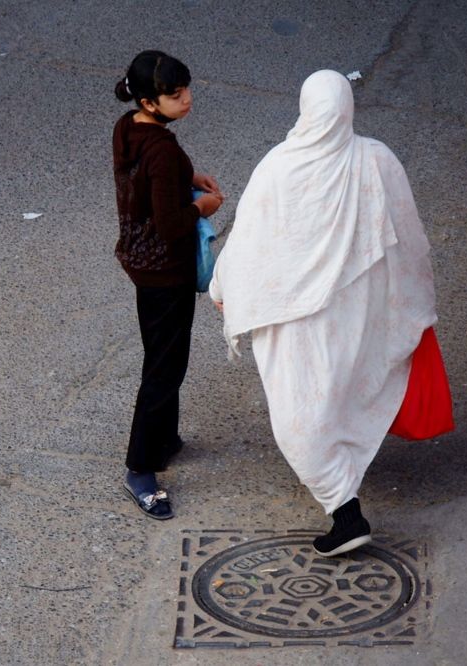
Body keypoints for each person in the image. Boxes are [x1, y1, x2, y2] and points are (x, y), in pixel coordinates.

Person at [209, 70, 438, 555]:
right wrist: (411, 303)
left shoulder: (278, 166)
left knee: (301, 411)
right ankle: (343, 486)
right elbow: (411, 243)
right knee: (342, 391)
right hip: (357, 313)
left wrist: (223, 285)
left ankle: (345, 510)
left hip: (292, 317)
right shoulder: (378, 160)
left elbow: (249, 239)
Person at [112, 50, 224, 520]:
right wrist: (205, 205)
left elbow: (146, 178)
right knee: (163, 367)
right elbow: (174, 225)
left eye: (186, 89)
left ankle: (164, 440)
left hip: (141, 262)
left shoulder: (129, 128)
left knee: (164, 355)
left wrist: (186, 175)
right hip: (166, 271)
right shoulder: (162, 150)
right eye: (175, 95)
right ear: (151, 102)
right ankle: (140, 468)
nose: (187, 99)